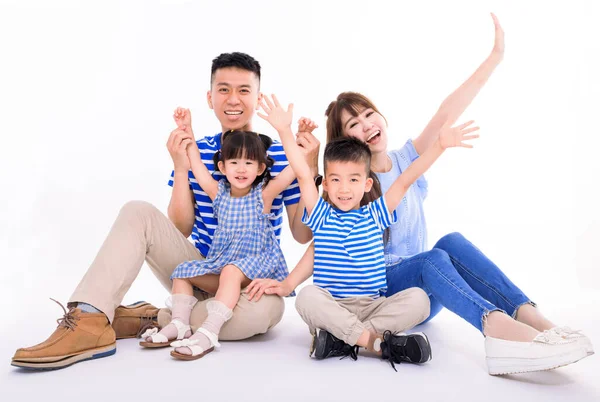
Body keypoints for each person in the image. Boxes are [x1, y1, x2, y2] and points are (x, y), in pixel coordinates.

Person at [319, 14, 593, 375]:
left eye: (369, 114)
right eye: (354, 124)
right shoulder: (351, 185)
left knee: (452, 241)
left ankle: (537, 321)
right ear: (344, 142)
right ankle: (497, 331)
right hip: (384, 296)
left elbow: (446, 112)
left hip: (427, 291)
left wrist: (495, 57)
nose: (367, 124)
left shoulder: (405, 160)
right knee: (433, 257)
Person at [11, 52, 319, 370]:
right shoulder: (196, 150)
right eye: (223, 89)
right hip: (205, 268)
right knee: (137, 211)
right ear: (210, 97)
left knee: (264, 315)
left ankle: (156, 318)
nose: (233, 99)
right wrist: (181, 167)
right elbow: (180, 227)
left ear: (257, 97)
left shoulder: (282, 156)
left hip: (253, 278)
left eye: (244, 90)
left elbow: (303, 234)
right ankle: (89, 318)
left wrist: (307, 165)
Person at [251, 94, 479, 369]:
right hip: (333, 305)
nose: (344, 189)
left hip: (373, 306)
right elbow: (301, 173)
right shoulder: (322, 216)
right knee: (307, 297)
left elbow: (406, 179)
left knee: (419, 300)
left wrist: (440, 146)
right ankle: (377, 343)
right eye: (335, 180)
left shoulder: (375, 214)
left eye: (353, 180)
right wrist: (284, 130)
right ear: (325, 186)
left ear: (368, 184)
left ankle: (341, 340)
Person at [140, 118, 297, 360]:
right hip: (224, 264)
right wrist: (188, 133)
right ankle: (180, 322)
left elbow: (294, 169)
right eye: (234, 162)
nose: (241, 169)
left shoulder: (263, 195)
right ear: (223, 168)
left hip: (257, 263)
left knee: (232, 271)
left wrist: (296, 139)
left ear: (260, 169)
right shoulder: (218, 193)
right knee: (182, 272)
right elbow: (198, 168)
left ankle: (209, 331)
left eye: (248, 163)